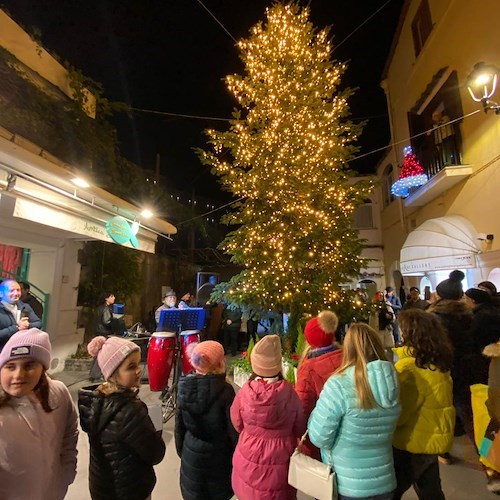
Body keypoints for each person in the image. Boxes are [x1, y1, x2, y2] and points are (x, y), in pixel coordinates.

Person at [308, 323, 401, 500]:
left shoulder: (338, 384)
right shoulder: (393, 381)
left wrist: (314, 415)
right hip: (385, 480)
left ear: (347, 348)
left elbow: (319, 437)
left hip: (348, 484)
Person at [78, 336, 166, 500]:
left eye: (139, 363)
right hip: (130, 489)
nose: (139, 370)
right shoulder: (131, 410)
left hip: (102, 487)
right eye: (131, 367)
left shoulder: (93, 401)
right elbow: (155, 454)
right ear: (112, 374)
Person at [0, 328, 78, 500]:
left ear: (42, 367)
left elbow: (70, 433)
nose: (18, 375)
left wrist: (66, 473)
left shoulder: (59, 394)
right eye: (10, 366)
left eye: (29, 365)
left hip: (52, 493)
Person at [231, 334, 305, 499]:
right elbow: (300, 426)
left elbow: (236, 422)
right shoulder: (290, 394)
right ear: (278, 365)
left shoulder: (245, 392)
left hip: (248, 454)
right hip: (281, 461)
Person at [392, 309, 455, 500]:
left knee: (392, 491)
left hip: (411, 441)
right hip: (431, 438)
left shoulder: (409, 367)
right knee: (431, 491)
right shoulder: (437, 361)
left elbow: (402, 412)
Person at [175, 340, 238, 500]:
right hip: (218, 457)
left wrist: (183, 452)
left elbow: (179, 427)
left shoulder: (184, 388)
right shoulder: (225, 391)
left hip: (192, 454)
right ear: (218, 364)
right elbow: (232, 430)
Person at [427, 270, 473, 452]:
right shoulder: (469, 315)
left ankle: (443, 451)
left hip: (443, 368)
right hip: (467, 367)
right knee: (470, 415)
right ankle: (488, 457)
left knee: (443, 410)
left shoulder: (433, 318)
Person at [295, 310, 343, 459]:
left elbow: (302, 407)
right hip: (345, 433)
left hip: (319, 436)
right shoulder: (345, 356)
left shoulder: (309, 368)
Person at [465, 286, 500, 384]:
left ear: (472, 300)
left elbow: (475, 337)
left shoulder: (481, 316)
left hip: (486, 354)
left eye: (465, 299)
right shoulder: (490, 311)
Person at [0, 279, 42, 351]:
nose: (16, 293)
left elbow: (38, 323)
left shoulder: (24, 306)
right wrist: (16, 328)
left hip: (20, 351)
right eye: (11, 291)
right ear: (1, 293)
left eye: (18, 290)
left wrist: (27, 325)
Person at [483, 340, 500, 493]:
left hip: (496, 413)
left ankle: (491, 471)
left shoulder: (496, 355)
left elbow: (493, 389)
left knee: (486, 443)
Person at [369, 290, 395, 360]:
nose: (380, 297)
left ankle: (390, 361)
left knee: (389, 346)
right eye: (378, 296)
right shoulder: (373, 307)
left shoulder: (387, 305)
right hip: (377, 328)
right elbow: (371, 319)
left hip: (386, 328)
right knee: (379, 346)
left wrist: (390, 316)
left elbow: (392, 315)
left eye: (381, 296)